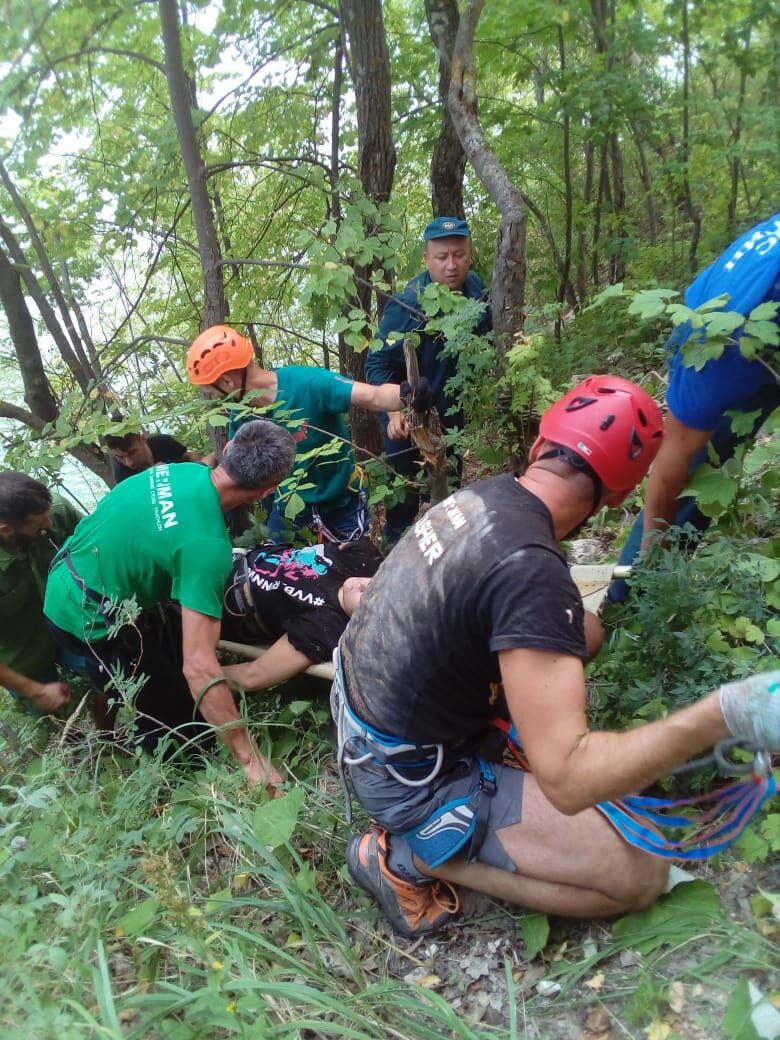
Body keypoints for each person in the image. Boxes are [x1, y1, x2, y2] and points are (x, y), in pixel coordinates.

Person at [331, 375, 780, 937]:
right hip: (409, 774)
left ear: (539, 448)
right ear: (618, 496)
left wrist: (578, 631)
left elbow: (554, 620)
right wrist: (724, 713)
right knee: (640, 872)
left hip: (366, 716)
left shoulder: (484, 497)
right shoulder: (529, 570)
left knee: (597, 688)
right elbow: (567, 777)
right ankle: (409, 859)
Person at [44, 419, 297, 784]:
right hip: (86, 616)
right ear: (267, 490)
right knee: (168, 715)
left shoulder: (174, 472)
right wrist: (249, 759)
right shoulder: (206, 546)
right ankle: (185, 781)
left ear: (226, 452)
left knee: (172, 669)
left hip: (68, 575)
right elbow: (200, 667)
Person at [610, 213, 780, 601]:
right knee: (696, 465)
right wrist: (654, 559)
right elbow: (672, 458)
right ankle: (637, 595)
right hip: (734, 336)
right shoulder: (720, 351)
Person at [187, 325, 430, 543]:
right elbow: (235, 468)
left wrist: (406, 393)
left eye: (212, 391)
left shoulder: (307, 383)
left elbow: (374, 396)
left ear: (228, 382)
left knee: (354, 573)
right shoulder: (240, 415)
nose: (216, 398)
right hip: (289, 511)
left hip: (341, 503)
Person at [364, 216, 493, 544]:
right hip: (407, 419)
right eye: (441, 257)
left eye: (459, 254)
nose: (452, 265)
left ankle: (447, 560)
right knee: (404, 505)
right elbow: (376, 364)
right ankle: (395, 555)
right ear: (427, 259)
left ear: (469, 254)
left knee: (448, 496)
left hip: (451, 417)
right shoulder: (406, 306)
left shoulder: (478, 292)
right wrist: (392, 413)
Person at [219, 539, 382, 693]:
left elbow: (253, 676)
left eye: (370, 598)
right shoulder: (362, 559)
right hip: (223, 559)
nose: (365, 585)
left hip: (217, 604)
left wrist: (198, 676)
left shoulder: (325, 626)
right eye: (379, 584)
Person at [0, 472, 83, 716]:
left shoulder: (54, 510)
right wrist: (35, 691)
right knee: (52, 715)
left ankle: (110, 743)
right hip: (23, 655)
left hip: (71, 624)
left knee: (104, 679)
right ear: (5, 529)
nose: (48, 523)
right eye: (38, 523)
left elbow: (99, 549)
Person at [103, 430, 201, 484]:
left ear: (142, 439)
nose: (129, 462)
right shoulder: (123, 476)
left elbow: (189, 456)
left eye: (132, 453)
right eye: (120, 457)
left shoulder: (163, 443)